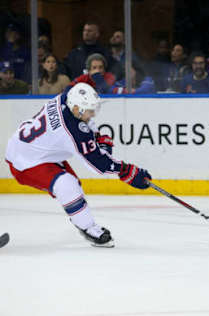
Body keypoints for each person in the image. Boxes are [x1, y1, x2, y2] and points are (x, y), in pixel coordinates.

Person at [5, 75, 152, 247]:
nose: (92, 114)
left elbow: (80, 83)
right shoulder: (73, 130)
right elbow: (98, 163)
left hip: (33, 148)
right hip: (25, 162)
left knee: (72, 185)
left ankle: (81, 217)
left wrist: (91, 79)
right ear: (77, 109)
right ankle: (88, 227)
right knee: (68, 185)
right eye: (89, 111)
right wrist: (128, 172)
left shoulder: (66, 96)